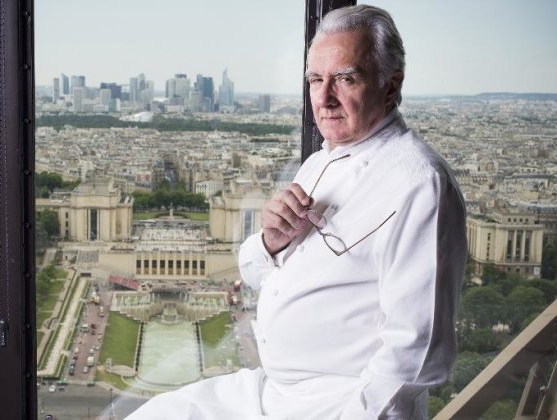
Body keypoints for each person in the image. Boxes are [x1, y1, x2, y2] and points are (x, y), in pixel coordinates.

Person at [127, 4, 466, 419]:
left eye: (345, 78)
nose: (323, 98)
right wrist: (271, 241)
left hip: (334, 406)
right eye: (315, 79)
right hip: (273, 392)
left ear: (391, 85)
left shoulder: (419, 184)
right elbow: (260, 276)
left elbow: (416, 354)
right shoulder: (319, 162)